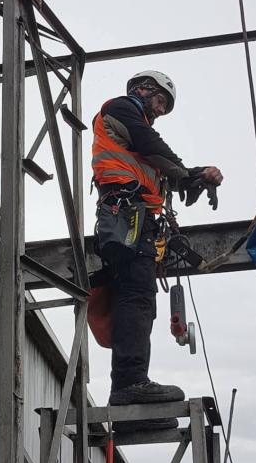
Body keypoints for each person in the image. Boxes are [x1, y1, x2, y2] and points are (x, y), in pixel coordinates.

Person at [91, 70, 223, 422]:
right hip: (126, 215)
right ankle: (130, 383)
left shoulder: (136, 142)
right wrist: (187, 173)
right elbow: (151, 145)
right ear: (142, 90)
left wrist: (196, 174)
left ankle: (129, 399)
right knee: (137, 297)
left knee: (140, 300)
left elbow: (160, 165)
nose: (161, 110)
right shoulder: (120, 109)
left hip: (137, 219)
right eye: (160, 101)